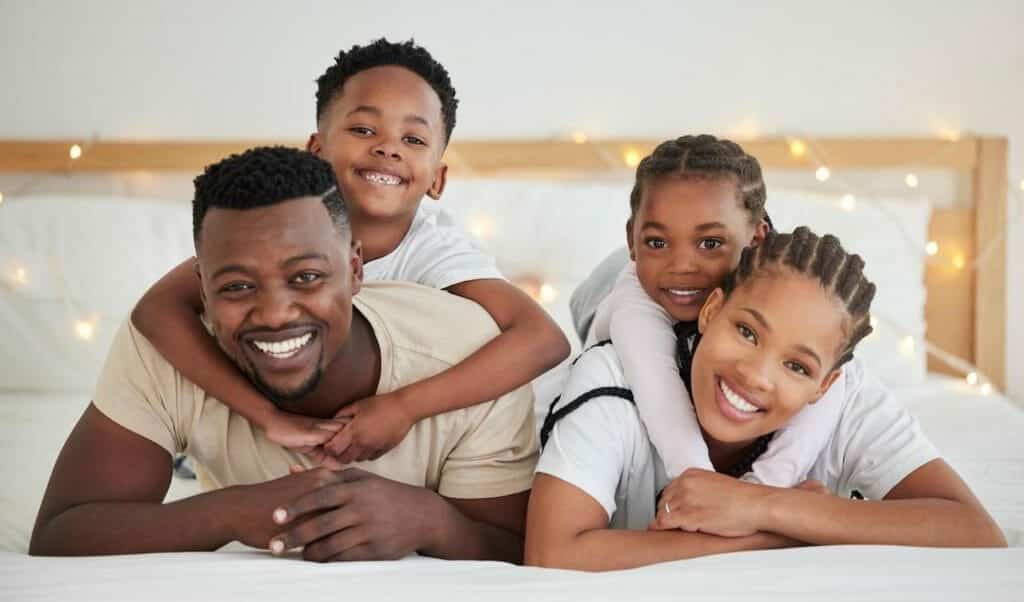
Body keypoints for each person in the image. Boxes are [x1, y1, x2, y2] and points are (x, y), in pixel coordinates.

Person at [30, 147, 538, 562]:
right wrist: (233, 512)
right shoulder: (165, 351)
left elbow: (519, 551)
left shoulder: (471, 350)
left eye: (307, 277)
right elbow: (61, 532)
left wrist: (432, 520)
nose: (274, 314)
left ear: (356, 268)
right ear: (202, 292)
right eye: (237, 286)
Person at [131, 39, 569, 466]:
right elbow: (156, 309)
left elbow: (543, 340)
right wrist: (265, 416)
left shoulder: (436, 252)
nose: (388, 147)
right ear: (315, 152)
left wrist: (403, 409)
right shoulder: (274, 235)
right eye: (363, 129)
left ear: (436, 178)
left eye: (413, 140)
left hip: (495, 445)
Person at [525, 227, 1006, 571]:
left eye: (797, 366)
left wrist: (759, 506)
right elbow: (553, 554)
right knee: (625, 297)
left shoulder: (847, 394)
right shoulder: (610, 378)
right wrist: (778, 536)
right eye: (748, 331)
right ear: (712, 311)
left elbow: (977, 533)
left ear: (824, 385)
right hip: (607, 345)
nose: (755, 376)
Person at [567, 135, 843, 486]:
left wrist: (763, 489)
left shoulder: (774, 276)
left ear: (756, 238)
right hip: (604, 290)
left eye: (709, 243)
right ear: (632, 240)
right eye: (657, 242)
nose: (682, 265)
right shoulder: (634, 309)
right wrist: (706, 491)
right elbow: (663, 401)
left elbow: (838, 376)